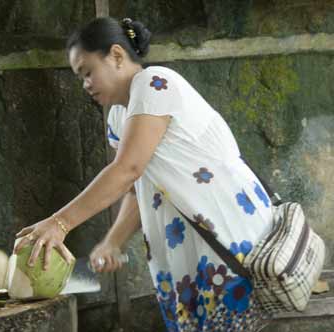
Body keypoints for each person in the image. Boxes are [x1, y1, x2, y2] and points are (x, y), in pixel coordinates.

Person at [15, 16, 273, 332]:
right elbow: (139, 186)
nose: (85, 84)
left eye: (88, 72)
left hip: (226, 241)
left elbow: (127, 170)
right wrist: (112, 242)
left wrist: (60, 223)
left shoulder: (154, 84)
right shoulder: (119, 118)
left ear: (117, 56)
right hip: (190, 253)